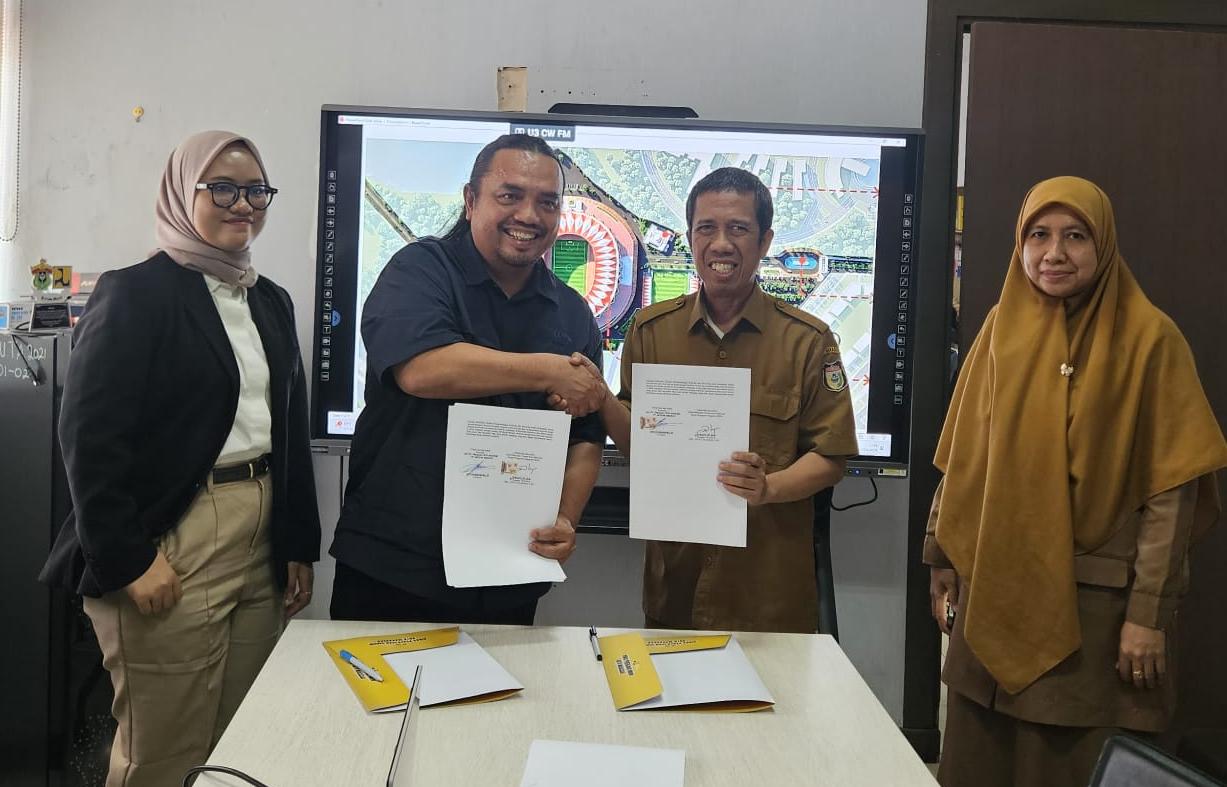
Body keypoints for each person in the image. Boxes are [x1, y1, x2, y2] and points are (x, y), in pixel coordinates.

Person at [39, 130, 322, 787]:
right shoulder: (136, 293)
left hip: (260, 526)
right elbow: (88, 437)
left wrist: (297, 543)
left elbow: (289, 429)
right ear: (179, 193)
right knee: (164, 751)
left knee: (242, 739)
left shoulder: (269, 300)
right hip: (175, 530)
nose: (241, 203)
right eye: (221, 188)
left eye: (255, 190)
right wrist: (128, 559)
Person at [925, 176, 1227, 787]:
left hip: (1095, 618)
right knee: (980, 763)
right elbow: (964, 455)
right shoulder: (1001, 328)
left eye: (1075, 236)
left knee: (1069, 766)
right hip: (992, 594)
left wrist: (1148, 615)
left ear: (1103, 244)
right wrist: (941, 555)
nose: (1053, 253)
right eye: (1038, 235)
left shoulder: (1149, 340)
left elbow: (1170, 495)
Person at [566, 167, 859, 633]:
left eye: (738, 229)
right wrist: (601, 397)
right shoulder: (651, 331)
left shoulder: (807, 341)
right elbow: (640, 444)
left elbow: (831, 456)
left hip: (768, 594)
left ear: (764, 242)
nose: (721, 244)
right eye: (707, 228)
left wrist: (769, 488)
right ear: (690, 238)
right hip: (674, 590)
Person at [329, 134, 606, 625]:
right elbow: (422, 370)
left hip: (510, 568)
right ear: (471, 199)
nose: (529, 215)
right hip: (395, 565)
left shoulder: (572, 312)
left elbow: (585, 435)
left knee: (505, 679)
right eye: (510, 195)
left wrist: (566, 517)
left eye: (547, 202)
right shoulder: (420, 270)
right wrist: (548, 370)